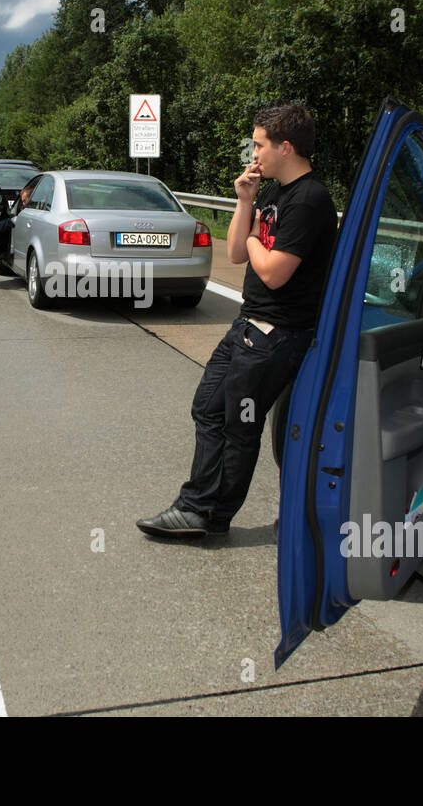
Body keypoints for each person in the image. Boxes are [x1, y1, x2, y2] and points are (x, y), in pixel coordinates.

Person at [137, 103, 338, 538]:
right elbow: (235, 254)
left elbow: (272, 270)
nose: (254, 152)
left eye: (260, 143)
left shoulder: (310, 199)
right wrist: (244, 201)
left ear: (286, 147)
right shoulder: (270, 193)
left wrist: (250, 237)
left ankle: (207, 513)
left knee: (239, 424)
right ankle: (201, 507)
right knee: (207, 408)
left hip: (279, 333)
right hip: (248, 324)